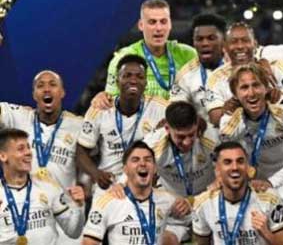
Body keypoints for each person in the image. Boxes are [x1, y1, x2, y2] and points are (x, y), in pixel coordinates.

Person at [219, 62, 283, 245]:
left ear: (266, 87)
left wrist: (271, 182)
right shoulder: (230, 117)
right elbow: (228, 155)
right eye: (244, 88)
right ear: (235, 94)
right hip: (265, 184)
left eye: (256, 85)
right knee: (266, 239)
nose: (251, 93)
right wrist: (237, 116)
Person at [77, 55, 167, 194]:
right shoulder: (100, 109)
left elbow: (185, 120)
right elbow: (81, 150)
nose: (133, 80)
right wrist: (96, 174)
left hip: (147, 183)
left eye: (139, 76)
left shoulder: (161, 108)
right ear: (117, 81)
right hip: (110, 184)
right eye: (127, 76)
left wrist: (170, 125)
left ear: (146, 83)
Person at [82, 141, 190, 245]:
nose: (142, 163)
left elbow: (192, 217)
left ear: (155, 168)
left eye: (148, 160)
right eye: (135, 160)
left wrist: (186, 206)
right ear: (125, 169)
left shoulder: (168, 200)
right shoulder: (108, 202)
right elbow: (89, 242)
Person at [143, 101, 218, 242]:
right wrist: (167, 199)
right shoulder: (152, 146)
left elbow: (234, 172)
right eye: (180, 137)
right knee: (164, 241)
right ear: (167, 128)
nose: (187, 142)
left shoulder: (212, 137)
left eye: (191, 134)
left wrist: (196, 200)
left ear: (197, 125)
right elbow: (135, 183)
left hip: (210, 206)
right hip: (176, 212)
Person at [98, 0, 197, 102]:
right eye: (152, 22)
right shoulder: (123, 59)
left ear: (170, 24)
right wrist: (101, 99)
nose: (158, 28)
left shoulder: (189, 55)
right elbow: (110, 103)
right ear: (141, 25)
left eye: (163, 22)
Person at [192, 141, 283, 245]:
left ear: (247, 167)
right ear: (217, 170)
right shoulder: (203, 203)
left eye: (240, 161)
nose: (235, 167)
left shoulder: (270, 198)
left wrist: (266, 233)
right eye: (227, 162)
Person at [0, 128, 85, 244]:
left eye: (28, 147)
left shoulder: (48, 186)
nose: (28, 152)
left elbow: (74, 232)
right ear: (3, 156)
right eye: (21, 149)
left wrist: (78, 206)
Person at [0, 70, 84, 188]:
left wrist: (84, 188)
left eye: (53, 84)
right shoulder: (21, 117)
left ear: (62, 92)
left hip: (64, 198)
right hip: (24, 198)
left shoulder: (78, 125)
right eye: (40, 86)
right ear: (34, 95)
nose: (47, 89)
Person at [206, 22, 283, 126]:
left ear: (255, 44)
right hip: (238, 135)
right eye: (234, 42)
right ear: (225, 46)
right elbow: (214, 118)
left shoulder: (276, 66)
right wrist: (227, 109)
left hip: (279, 132)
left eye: (245, 40)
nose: (240, 46)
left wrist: (278, 97)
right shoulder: (215, 78)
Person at [169, 13, 227, 123]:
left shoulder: (237, 67)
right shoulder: (184, 76)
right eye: (199, 39)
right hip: (203, 133)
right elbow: (175, 113)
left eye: (211, 38)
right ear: (193, 42)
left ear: (224, 40)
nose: (205, 43)